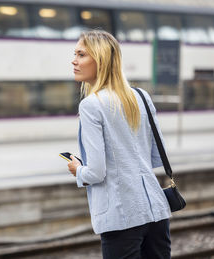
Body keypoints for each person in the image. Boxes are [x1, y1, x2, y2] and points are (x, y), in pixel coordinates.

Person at [67, 29, 172, 259]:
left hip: (121, 216)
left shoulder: (91, 106)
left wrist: (78, 169)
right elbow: (155, 156)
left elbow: (95, 173)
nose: (74, 60)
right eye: (75, 54)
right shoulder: (141, 96)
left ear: (101, 60)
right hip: (156, 210)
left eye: (81, 54)